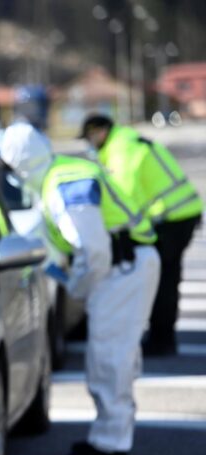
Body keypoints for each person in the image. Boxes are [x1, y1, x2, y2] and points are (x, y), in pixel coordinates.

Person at [0, 123, 160, 455]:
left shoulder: (63, 183)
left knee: (110, 358)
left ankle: (110, 445)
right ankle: (111, 436)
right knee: (115, 356)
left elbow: (94, 250)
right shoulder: (58, 177)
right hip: (123, 266)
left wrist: (78, 289)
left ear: (21, 166)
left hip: (121, 268)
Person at [81, 114, 203, 356]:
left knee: (160, 281)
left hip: (172, 219)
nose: (89, 144)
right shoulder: (125, 141)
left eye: (89, 138)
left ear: (100, 131)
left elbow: (124, 199)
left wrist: (120, 232)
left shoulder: (120, 150)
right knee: (165, 278)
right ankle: (163, 337)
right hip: (181, 214)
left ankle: (162, 341)